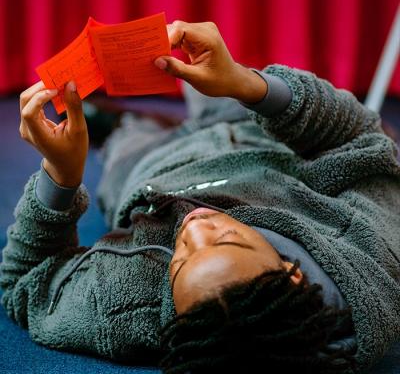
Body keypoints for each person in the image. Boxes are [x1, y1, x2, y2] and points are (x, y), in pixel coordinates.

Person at [1, 20, 399, 374]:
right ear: (291, 273)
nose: (194, 227)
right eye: (227, 239)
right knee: (209, 82)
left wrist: (62, 177)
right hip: (261, 137)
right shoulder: (366, 258)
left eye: (180, 260)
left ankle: (122, 125)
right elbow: (366, 143)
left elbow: (25, 284)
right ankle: (190, 108)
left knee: (124, 138)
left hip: (152, 168)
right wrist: (249, 85)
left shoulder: (127, 306)